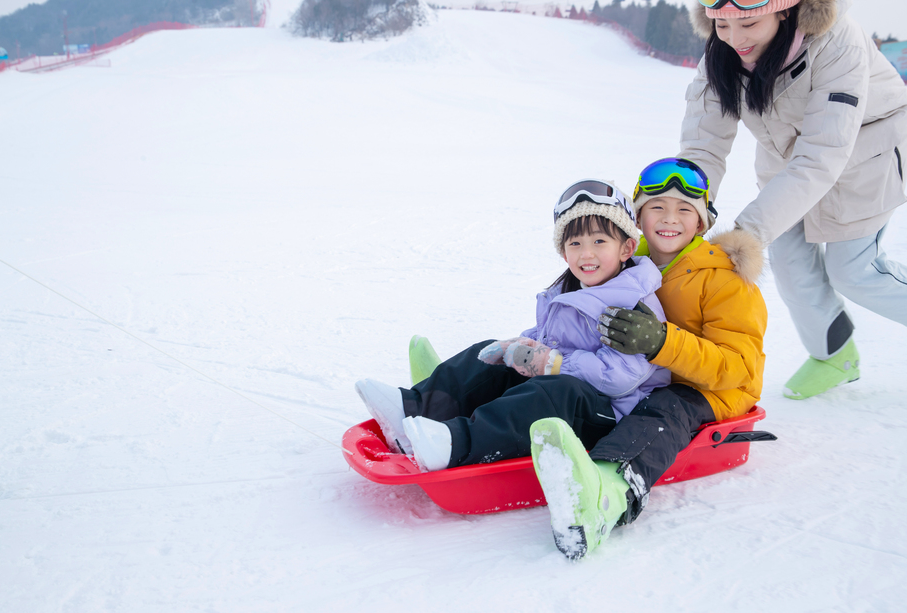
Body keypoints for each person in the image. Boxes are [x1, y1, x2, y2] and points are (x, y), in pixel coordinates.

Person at [529, 157, 768, 559]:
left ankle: (608, 491)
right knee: (560, 378)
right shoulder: (625, 259)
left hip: (705, 390)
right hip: (637, 375)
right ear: (637, 219)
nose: (669, 218)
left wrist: (661, 342)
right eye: (657, 207)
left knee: (662, 410)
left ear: (701, 223)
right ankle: (454, 400)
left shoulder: (725, 279)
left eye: (684, 209)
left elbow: (738, 368)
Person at [354, 180, 670, 472]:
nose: (586, 254)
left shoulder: (634, 303)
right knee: (492, 358)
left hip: (611, 415)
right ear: (564, 252)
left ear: (627, 248)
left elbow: (619, 379)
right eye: (575, 243)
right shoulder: (571, 291)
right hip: (568, 390)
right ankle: (412, 409)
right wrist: (518, 348)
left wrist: (555, 364)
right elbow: (550, 338)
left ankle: (455, 444)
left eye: (599, 241)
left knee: (555, 391)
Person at [679, 0, 907, 399]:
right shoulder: (722, 54)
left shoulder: (838, 43)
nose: (735, 39)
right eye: (722, 26)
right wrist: (686, 205)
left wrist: (748, 232)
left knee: (853, 270)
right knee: (787, 260)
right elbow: (704, 143)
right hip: (786, 162)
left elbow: (822, 155)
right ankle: (834, 353)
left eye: (749, 23)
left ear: (785, 11)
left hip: (866, 159)